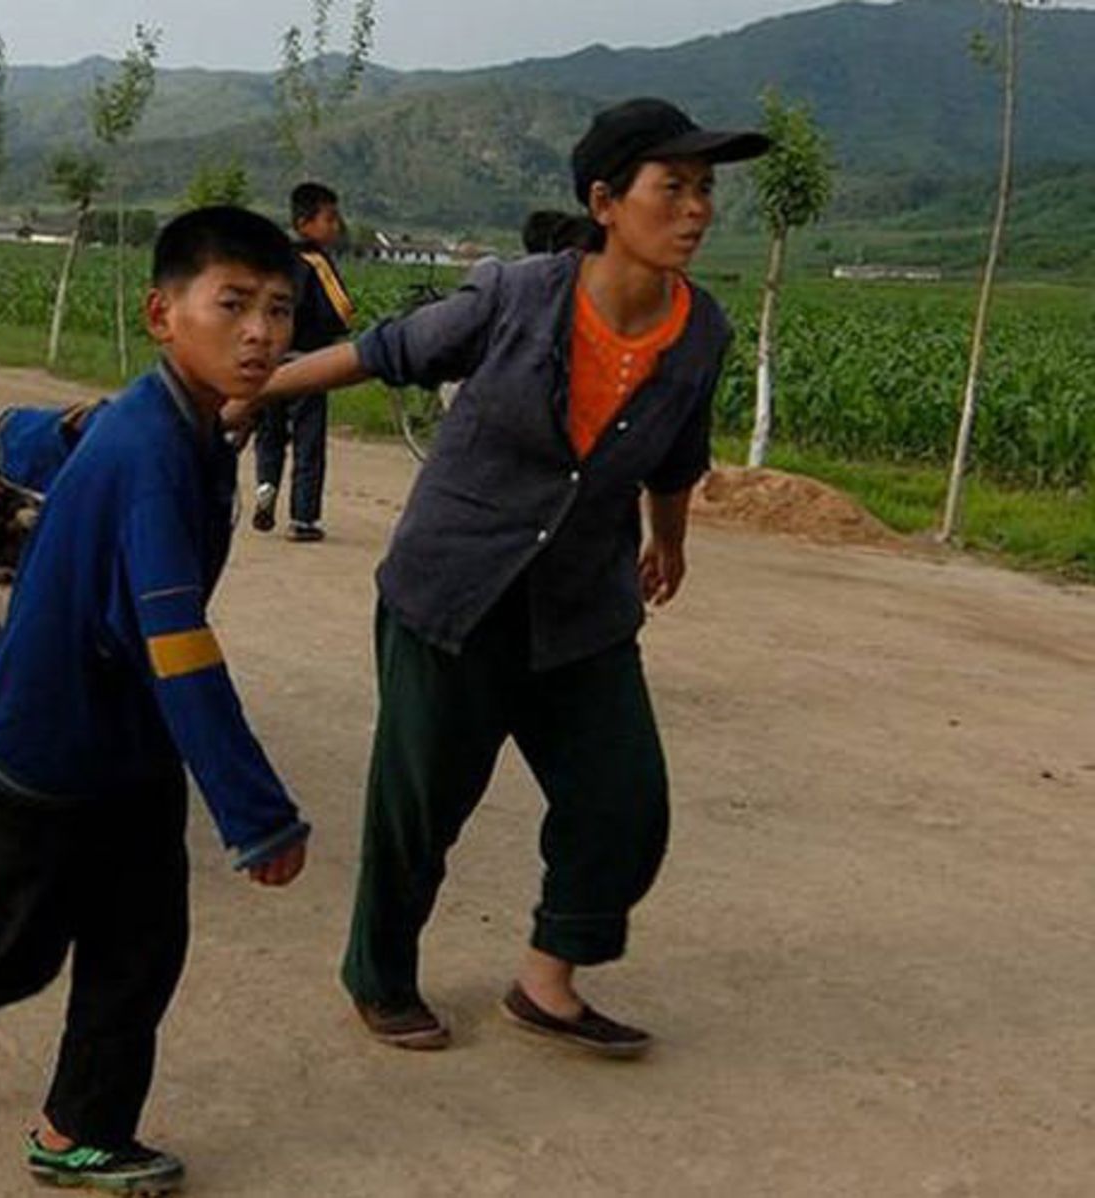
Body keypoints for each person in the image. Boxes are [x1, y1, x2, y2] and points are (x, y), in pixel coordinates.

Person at [254, 98, 768, 1057]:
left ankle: (547, 982)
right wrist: (247, 395)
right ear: (607, 202)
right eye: (675, 188)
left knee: (624, 800)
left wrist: (672, 539)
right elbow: (382, 352)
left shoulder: (702, 335)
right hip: (454, 589)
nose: (697, 209)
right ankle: (380, 972)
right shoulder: (517, 294)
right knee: (424, 801)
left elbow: (675, 456)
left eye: (705, 191)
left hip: (581, 604)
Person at [0, 206, 311, 1196]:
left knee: (143, 944)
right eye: (234, 305)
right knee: (16, 955)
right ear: (163, 313)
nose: (261, 332)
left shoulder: (173, 414)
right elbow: (182, 651)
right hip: (47, 750)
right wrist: (258, 815)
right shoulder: (152, 458)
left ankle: (77, 1129)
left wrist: (0, 432)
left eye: (279, 309)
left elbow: (66, 433)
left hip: (128, 747)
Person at [251, 182, 355, 543]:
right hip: (308, 363)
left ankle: (266, 486)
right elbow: (342, 309)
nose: (335, 226)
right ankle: (304, 517)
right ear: (305, 223)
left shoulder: (274, 259)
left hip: (270, 362)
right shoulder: (317, 262)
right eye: (329, 218)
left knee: (271, 432)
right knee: (308, 439)